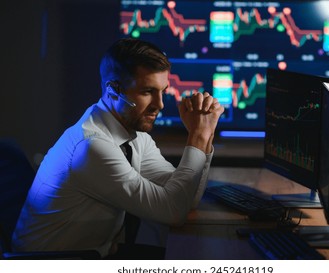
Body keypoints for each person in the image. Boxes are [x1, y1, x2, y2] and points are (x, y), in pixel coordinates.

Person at [11, 38, 224, 259]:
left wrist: (205, 135)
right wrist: (198, 136)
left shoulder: (135, 135)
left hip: (91, 257)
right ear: (113, 90)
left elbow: (185, 198)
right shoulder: (92, 147)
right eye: (147, 91)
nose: (160, 104)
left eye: (163, 91)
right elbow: (174, 212)